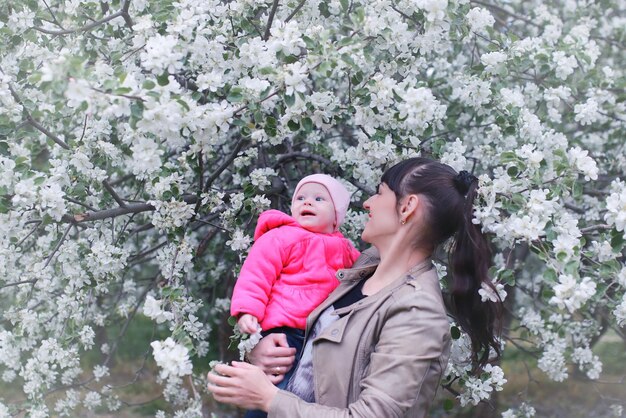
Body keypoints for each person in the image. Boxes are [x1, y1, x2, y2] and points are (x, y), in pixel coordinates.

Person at [209, 158, 502, 417]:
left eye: (379, 192)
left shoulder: (417, 311)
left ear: (408, 206)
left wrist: (269, 399)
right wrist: (263, 352)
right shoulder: (357, 271)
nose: (367, 203)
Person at [229, 173, 361, 401]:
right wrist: (247, 311)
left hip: (323, 335)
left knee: (309, 398)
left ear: (336, 216)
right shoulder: (281, 237)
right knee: (274, 393)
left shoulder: (346, 248)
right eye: (301, 198)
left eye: (319, 199)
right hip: (286, 333)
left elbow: (365, 274)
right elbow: (256, 274)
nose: (307, 202)